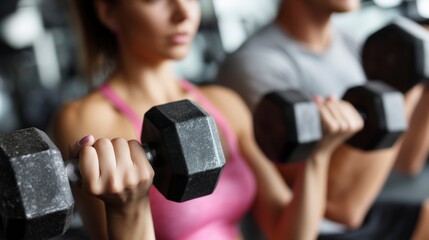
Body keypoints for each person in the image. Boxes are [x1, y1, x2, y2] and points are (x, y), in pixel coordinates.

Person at [52, 0, 362, 239]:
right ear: (108, 12)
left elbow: (287, 232)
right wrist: (128, 207)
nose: (183, 13)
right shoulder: (86, 118)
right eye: (157, 0)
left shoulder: (223, 102)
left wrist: (318, 156)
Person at [216, 0, 429, 239]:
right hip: (322, 230)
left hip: (370, 214)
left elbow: (407, 162)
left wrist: (419, 84)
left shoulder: (350, 42)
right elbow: (342, 209)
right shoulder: (253, 66)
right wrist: (399, 88)